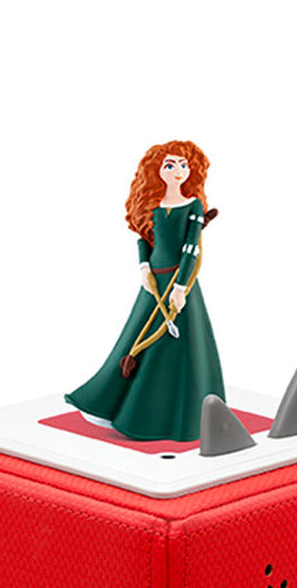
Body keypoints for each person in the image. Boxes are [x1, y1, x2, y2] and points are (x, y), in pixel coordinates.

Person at [65, 140, 225, 442]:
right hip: (153, 284)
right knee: (135, 336)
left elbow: (191, 249)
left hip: (178, 283)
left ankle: (170, 418)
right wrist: (143, 268)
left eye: (183, 165)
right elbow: (145, 239)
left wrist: (181, 287)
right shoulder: (154, 206)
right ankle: (107, 402)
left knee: (177, 349)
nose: (178, 170)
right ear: (157, 171)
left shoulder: (193, 206)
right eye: (170, 165)